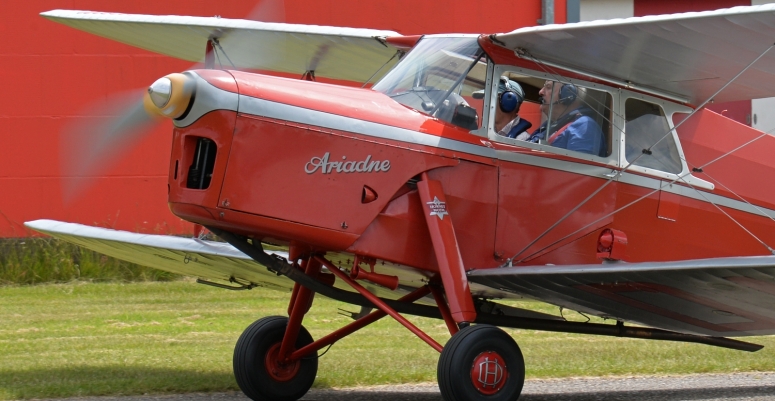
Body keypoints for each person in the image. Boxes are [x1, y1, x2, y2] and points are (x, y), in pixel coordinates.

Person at [526, 80, 605, 156]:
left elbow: (579, 168)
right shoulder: (549, 126)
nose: (541, 92)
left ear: (568, 94)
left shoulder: (585, 126)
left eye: (548, 87)